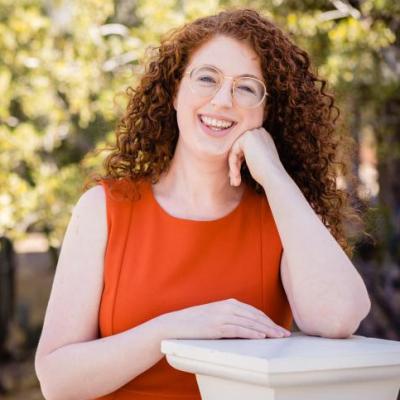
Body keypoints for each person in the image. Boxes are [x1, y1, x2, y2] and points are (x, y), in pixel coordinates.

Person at [34, 8, 371, 400]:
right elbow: (57, 381)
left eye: (247, 88)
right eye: (207, 78)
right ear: (175, 90)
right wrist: (173, 328)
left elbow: (340, 316)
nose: (223, 100)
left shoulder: (280, 216)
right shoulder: (103, 209)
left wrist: (275, 175)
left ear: (266, 111)